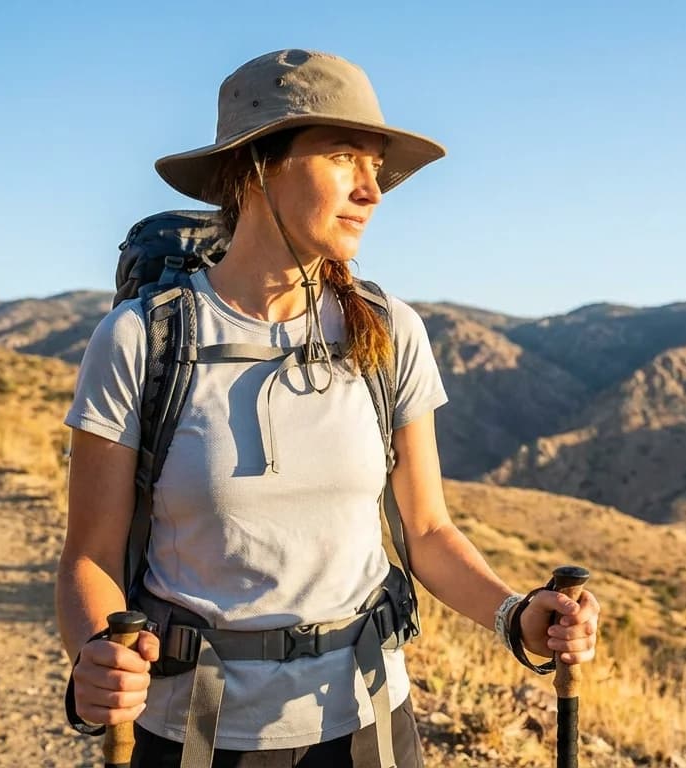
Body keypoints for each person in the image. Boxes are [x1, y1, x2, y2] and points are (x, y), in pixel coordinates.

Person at [55, 49, 601, 768]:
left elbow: (428, 530)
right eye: (345, 157)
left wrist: (517, 616)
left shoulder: (388, 328)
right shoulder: (141, 339)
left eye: (376, 168)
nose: (372, 191)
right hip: (193, 731)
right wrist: (98, 651)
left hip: (368, 723)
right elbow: (89, 555)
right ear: (256, 167)